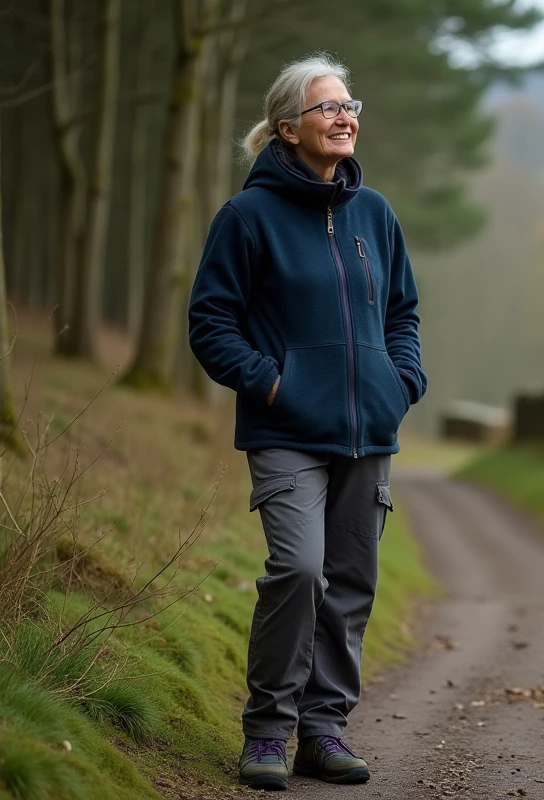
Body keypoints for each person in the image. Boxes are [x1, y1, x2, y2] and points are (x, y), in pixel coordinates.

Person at [188, 54, 426, 791]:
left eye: (351, 104)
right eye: (328, 107)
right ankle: (267, 733)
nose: (345, 115)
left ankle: (323, 730)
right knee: (298, 569)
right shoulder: (246, 218)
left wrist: (403, 381)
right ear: (287, 128)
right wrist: (273, 383)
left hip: (368, 433)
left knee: (351, 580)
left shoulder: (375, 215)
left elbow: (402, 314)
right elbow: (211, 323)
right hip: (286, 430)